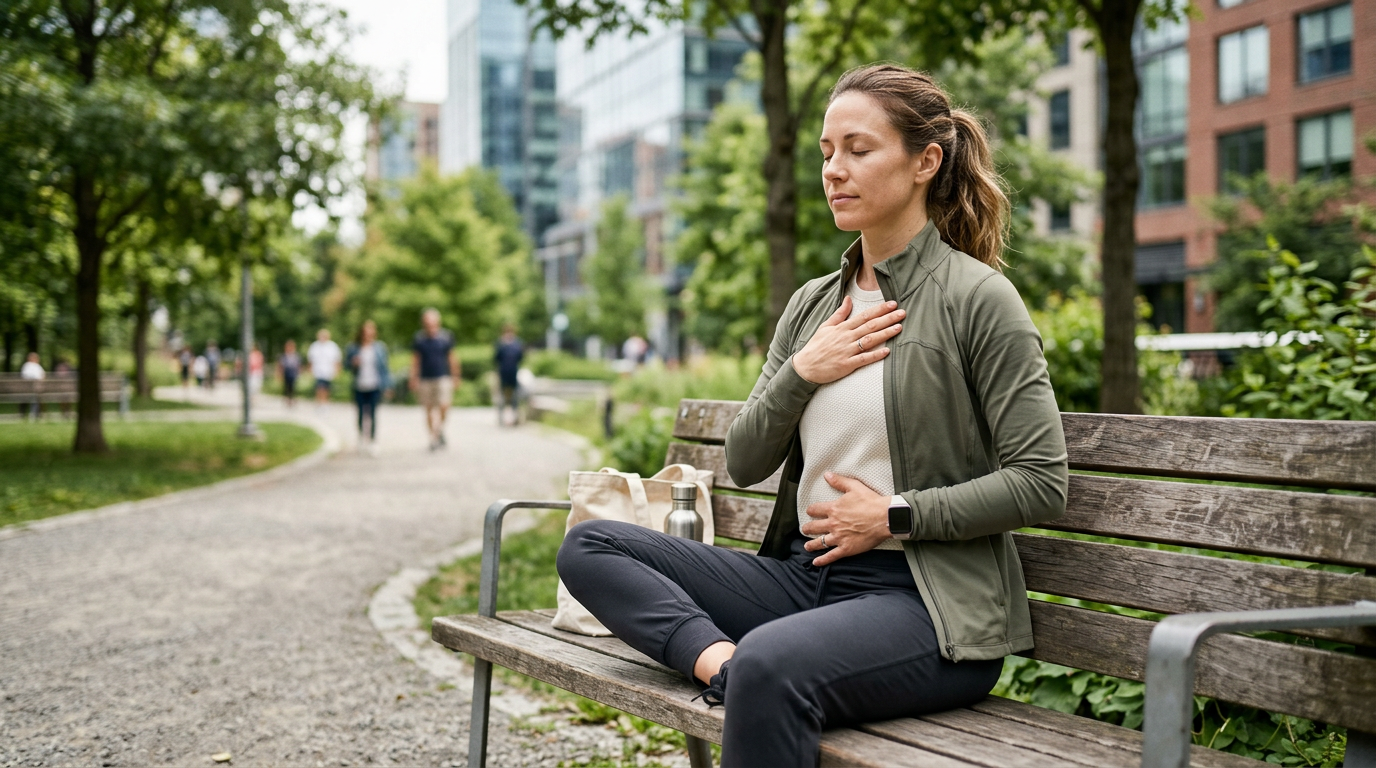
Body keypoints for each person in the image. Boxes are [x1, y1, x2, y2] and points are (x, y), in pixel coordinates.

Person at [556, 64, 1069, 766]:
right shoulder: (811, 306)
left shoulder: (977, 300)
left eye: (859, 150)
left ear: (926, 162)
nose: (835, 170)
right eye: (826, 153)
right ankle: (721, 667)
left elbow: (1041, 481)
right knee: (591, 546)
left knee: (774, 663)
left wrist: (895, 515)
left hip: (924, 605)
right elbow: (743, 460)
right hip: (805, 583)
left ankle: (752, 670)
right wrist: (804, 370)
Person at [410, 308, 459, 450]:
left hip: (443, 377)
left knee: (444, 405)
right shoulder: (419, 339)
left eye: (431, 322)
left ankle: (439, 429)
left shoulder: (446, 337)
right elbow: (415, 360)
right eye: (426, 322)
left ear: (437, 322)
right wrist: (413, 378)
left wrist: (455, 375)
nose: (429, 325)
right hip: (425, 378)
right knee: (429, 409)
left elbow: (452, 357)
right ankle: (433, 438)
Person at [345, 320, 390, 455]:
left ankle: (372, 441)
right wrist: (353, 363)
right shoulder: (353, 348)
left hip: (374, 385)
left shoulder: (379, 348)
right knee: (360, 414)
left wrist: (388, 385)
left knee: (373, 414)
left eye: (371, 331)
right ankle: (360, 437)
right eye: (366, 331)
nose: (368, 334)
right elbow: (346, 366)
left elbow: (384, 369)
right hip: (359, 385)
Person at [493, 324, 524, 426]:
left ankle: (515, 417)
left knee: (515, 396)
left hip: (513, 372)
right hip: (503, 372)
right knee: (502, 396)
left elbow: (520, 357)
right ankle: (501, 418)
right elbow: (496, 358)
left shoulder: (517, 343)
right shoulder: (500, 344)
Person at [307, 329, 341, 407]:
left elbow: (336, 359)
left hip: (328, 371)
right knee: (319, 387)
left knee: (327, 388)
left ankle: (325, 402)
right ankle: (319, 402)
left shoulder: (332, 346)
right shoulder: (314, 346)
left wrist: (337, 370)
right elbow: (311, 359)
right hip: (318, 371)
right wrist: (310, 369)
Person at [20, 352, 44, 420]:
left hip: (35, 387)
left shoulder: (37, 366)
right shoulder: (27, 365)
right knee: (33, 398)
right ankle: (31, 414)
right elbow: (26, 376)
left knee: (35, 398)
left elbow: (42, 375)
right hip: (29, 386)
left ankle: (34, 414)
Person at [279, 340, 301, 408]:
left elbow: (298, 365)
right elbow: (281, 366)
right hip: (286, 372)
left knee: (292, 387)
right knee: (286, 387)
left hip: (293, 373)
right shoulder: (284, 356)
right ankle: (287, 400)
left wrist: (298, 373)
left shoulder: (296, 356)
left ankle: (292, 400)